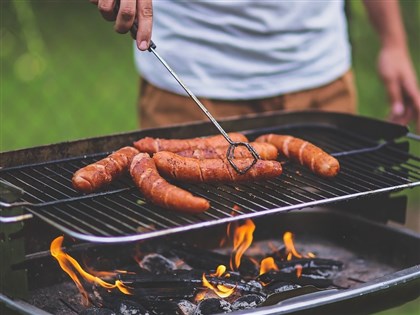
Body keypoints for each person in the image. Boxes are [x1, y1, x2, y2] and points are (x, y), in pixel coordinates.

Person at [91, 0, 420, 131]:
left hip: (320, 78)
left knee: (329, 256)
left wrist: (393, 41)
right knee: (185, 264)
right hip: (186, 87)